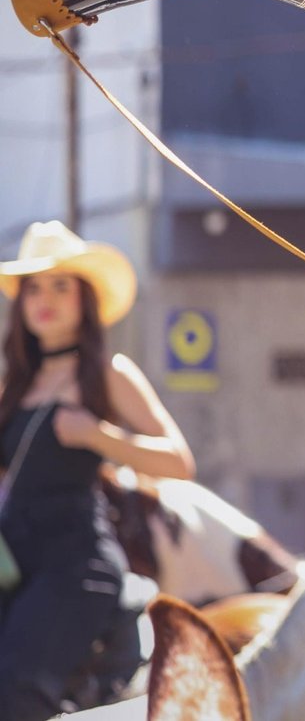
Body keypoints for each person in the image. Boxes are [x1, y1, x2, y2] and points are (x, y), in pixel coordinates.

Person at [0, 221, 195, 720]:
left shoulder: (109, 374)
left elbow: (178, 461)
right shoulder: (12, 380)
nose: (46, 298)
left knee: (17, 687)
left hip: (75, 563)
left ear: (85, 299)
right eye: (34, 288)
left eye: (61, 285)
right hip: (13, 557)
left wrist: (98, 436)